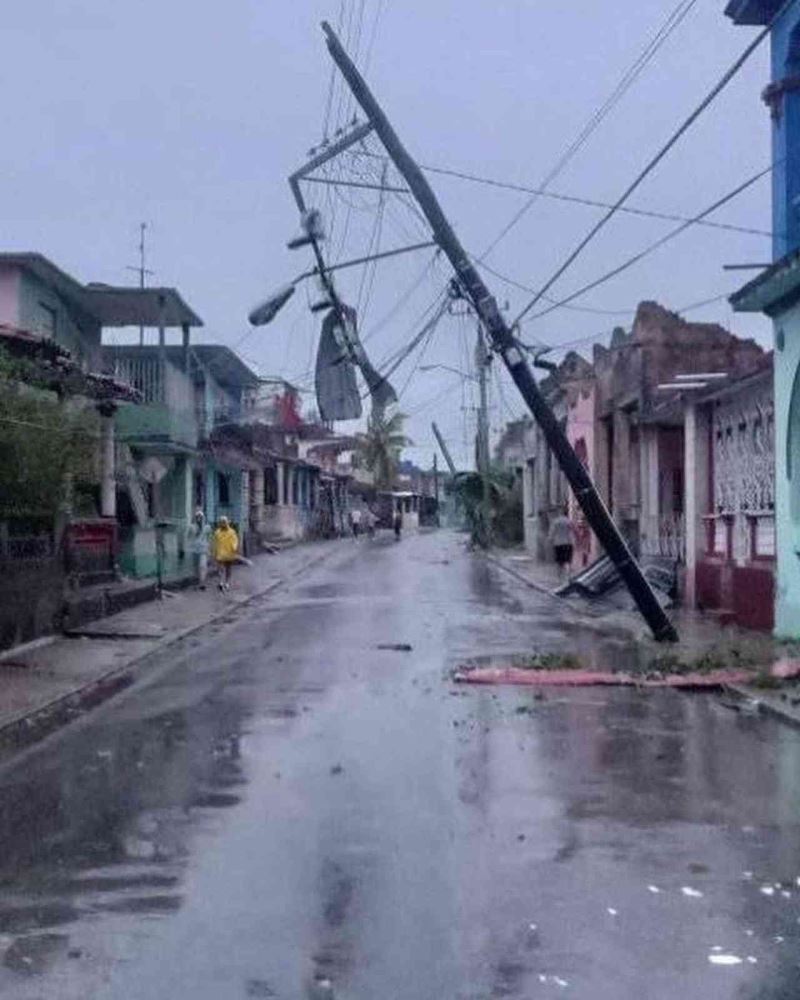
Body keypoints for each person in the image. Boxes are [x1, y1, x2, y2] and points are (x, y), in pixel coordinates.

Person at [213, 516, 239, 591]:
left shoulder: (232, 532)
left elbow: (235, 541)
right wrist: (214, 552)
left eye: (224, 522)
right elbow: (215, 542)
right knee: (220, 568)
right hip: (220, 553)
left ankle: (227, 583)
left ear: (227, 522)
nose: (223, 523)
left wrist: (234, 548)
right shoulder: (217, 532)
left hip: (229, 553)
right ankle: (220, 582)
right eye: (221, 522)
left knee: (228, 568)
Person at [549, 506, 575, 581]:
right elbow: (573, 531)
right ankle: (568, 576)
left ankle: (559, 578)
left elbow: (551, 533)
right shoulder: (569, 521)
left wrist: (550, 541)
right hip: (568, 543)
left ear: (559, 513)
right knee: (568, 560)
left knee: (559, 561)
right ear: (566, 512)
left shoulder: (555, 522)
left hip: (558, 543)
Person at [190, 508, 211, 590]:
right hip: (195, 549)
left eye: (200, 517)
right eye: (197, 517)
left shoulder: (207, 527)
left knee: (202, 566)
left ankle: (202, 583)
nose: (199, 519)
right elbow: (188, 536)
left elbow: (209, 537)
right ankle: (197, 582)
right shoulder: (192, 527)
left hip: (203, 550)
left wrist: (209, 548)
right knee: (195, 567)